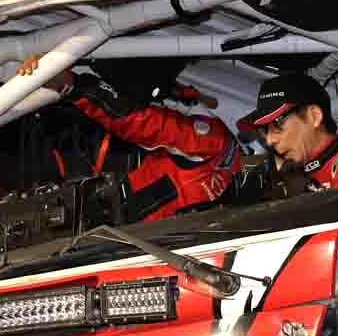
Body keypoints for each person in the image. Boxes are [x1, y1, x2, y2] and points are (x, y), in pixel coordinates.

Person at [45, 63, 240, 223]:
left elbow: (143, 124)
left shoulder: (212, 138)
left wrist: (76, 86)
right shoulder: (236, 161)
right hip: (139, 235)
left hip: (126, 226)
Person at [237, 72, 338, 190]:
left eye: (277, 125)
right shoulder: (279, 177)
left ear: (314, 116)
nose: (269, 140)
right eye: (263, 130)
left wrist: (302, 192)